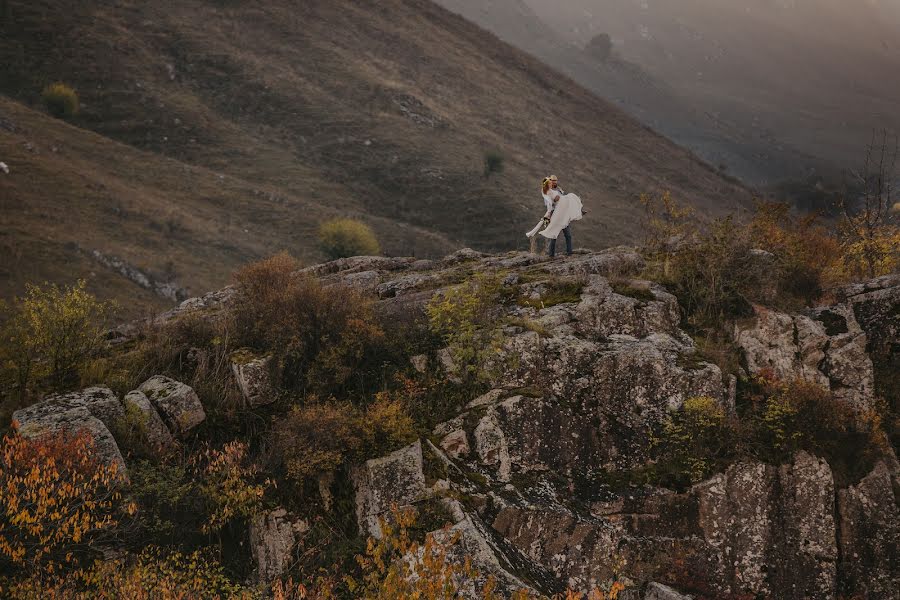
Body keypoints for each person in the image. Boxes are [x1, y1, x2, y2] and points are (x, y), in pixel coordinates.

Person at [544, 175, 573, 257]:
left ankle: (569, 253)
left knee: (568, 235)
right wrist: (554, 200)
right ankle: (551, 255)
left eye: (555, 180)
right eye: (553, 181)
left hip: (563, 214)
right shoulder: (547, 191)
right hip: (554, 214)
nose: (555, 182)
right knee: (553, 236)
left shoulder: (559, 189)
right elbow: (547, 203)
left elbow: (564, 200)